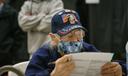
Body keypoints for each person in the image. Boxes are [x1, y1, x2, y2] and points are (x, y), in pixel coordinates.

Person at [25, 9, 126, 76]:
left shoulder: (87, 49)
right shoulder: (44, 53)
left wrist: (120, 69)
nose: (76, 40)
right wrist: (53, 74)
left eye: (79, 35)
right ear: (53, 38)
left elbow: (114, 63)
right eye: (69, 36)